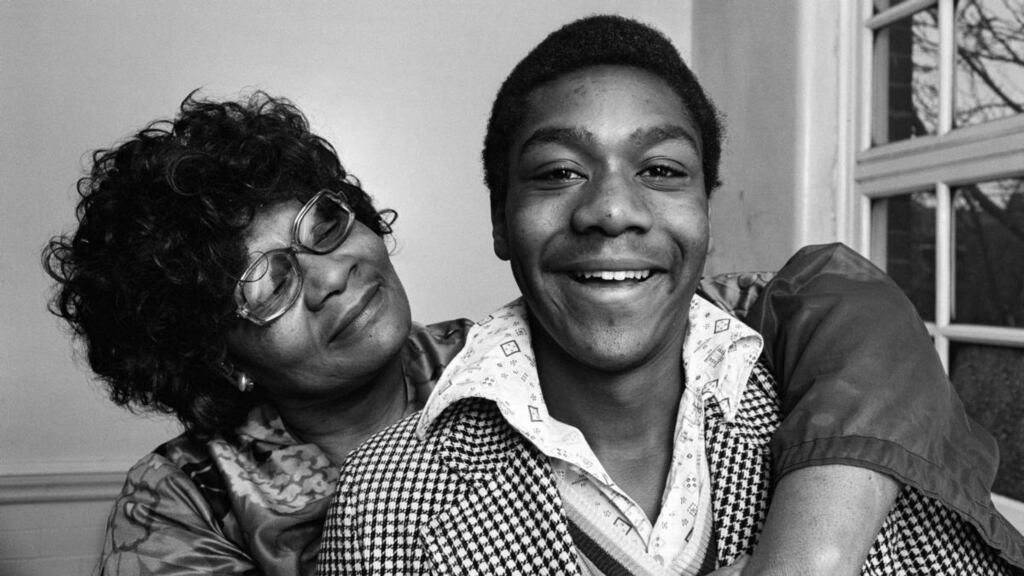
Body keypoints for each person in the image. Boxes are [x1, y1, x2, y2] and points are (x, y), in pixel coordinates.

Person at [317, 15, 1024, 575]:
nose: (612, 209)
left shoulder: (839, 429)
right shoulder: (384, 503)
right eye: (559, 172)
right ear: (502, 220)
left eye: (660, 169)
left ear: (706, 215)